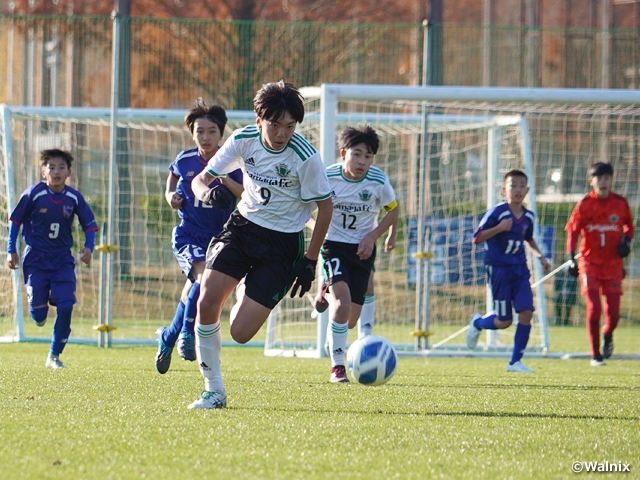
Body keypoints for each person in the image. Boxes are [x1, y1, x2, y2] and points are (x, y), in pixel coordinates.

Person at [187, 80, 333, 408]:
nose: (282, 133)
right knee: (207, 302)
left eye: (290, 126)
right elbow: (201, 180)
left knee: (240, 332)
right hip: (241, 230)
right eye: (274, 125)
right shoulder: (243, 141)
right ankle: (213, 389)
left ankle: (247, 289)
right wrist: (207, 194)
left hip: (282, 247)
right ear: (259, 121)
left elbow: (325, 208)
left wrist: (310, 261)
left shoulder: (305, 158)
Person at [154, 99, 243, 374]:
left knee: (193, 290)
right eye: (200, 131)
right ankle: (186, 336)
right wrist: (171, 197)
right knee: (203, 281)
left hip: (220, 238)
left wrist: (225, 179)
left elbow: (245, 194)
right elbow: (171, 179)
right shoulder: (185, 159)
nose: (205, 137)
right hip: (189, 235)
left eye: (212, 131)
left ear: (222, 133)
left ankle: (167, 337)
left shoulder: (233, 162)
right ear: (192, 133)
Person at [313, 126, 398, 382]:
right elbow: (305, 207)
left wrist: (373, 236)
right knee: (342, 306)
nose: (362, 161)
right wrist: (315, 230)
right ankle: (337, 366)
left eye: (368, 156)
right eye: (357, 154)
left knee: (350, 320)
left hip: (362, 250)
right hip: (334, 247)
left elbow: (393, 210)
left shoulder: (378, 180)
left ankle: (325, 290)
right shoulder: (327, 177)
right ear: (343, 153)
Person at [6, 149, 98, 369]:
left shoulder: (74, 197)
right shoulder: (33, 194)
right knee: (39, 315)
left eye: (61, 167)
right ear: (43, 171)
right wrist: (11, 249)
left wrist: (88, 247)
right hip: (36, 259)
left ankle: (54, 356)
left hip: (62, 260)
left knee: (66, 306)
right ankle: (38, 310)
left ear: (69, 172)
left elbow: (90, 224)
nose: (56, 172)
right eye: (51, 167)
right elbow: (16, 222)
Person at [466, 169, 551, 373]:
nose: (518, 189)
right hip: (499, 271)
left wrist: (540, 256)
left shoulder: (528, 216)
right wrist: (500, 228)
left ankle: (515, 362)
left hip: (520, 271)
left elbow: (528, 238)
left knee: (527, 312)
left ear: (527, 190)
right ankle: (478, 323)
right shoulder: (498, 213)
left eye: (522, 186)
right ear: (505, 189)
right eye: (514, 185)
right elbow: (477, 238)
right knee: (504, 321)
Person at [565, 162, 634, 367]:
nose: (603, 182)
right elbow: (573, 231)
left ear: (611, 180)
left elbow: (629, 225)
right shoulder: (585, 204)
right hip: (590, 263)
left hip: (613, 264)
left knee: (613, 314)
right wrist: (570, 257)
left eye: (606, 178)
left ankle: (607, 334)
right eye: (599, 178)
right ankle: (595, 355)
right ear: (591, 181)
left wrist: (626, 241)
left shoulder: (620, 203)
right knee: (594, 309)